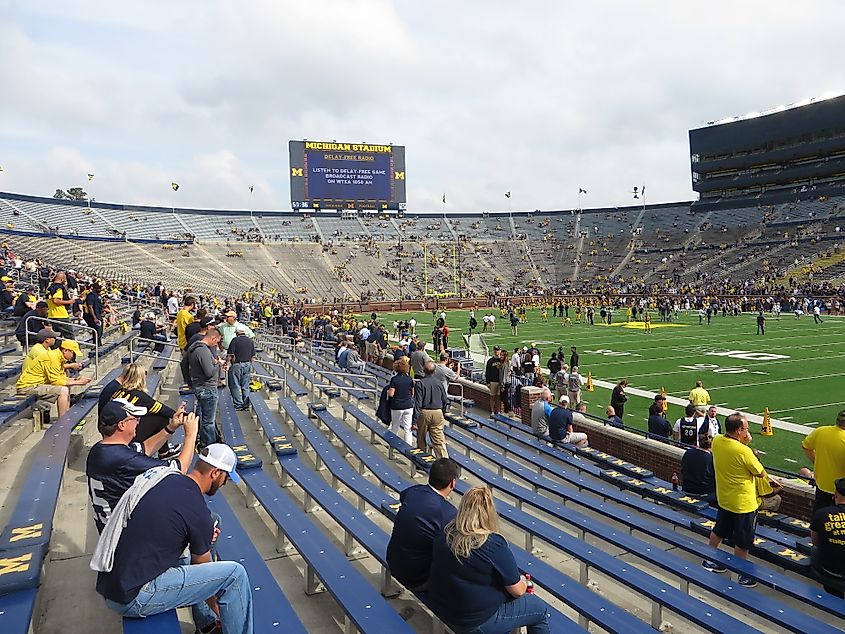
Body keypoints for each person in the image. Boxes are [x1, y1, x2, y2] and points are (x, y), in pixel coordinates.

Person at [92, 444, 253, 634]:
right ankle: (219, 625)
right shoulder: (197, 510)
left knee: (211, 522)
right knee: (235, 575)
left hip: (114, 582)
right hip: (134, 597)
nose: (224, 483)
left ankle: (205, 624)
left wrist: (203, 536)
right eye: (225, 477)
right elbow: (202, 568)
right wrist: (221, 611)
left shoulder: (168, 479)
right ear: (215, 473)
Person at [427, 486, 551, 634]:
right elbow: (517, 591)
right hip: (474, 621)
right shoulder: (493, 544)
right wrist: (524, 582)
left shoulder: (445, 532)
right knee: (539, 609)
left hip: (445, 607)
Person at [87, 398, 198, 533]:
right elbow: (178, 469)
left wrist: (171, 427)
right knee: (197, 521)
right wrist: (191, 435)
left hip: (111, 529)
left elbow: (145, 448)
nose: (138, 423)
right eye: (134, 419)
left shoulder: (100, 449)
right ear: (122, 425)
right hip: (123, 537)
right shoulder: (122, 459)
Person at [702, 413, 767, 587]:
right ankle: (742, 574)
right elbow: (760, 472)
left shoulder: (716, 441)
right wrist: (746, 445)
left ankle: (709, 560)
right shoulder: (744, 450)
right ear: (739, 430)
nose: (748, 431)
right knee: (743, 540)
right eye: (746, 428)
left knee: (719, 531)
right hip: (743, 503)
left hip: (724, 498)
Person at [385, 458, 459, 591]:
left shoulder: (413, 491)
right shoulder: (448, 513)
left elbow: (404, 495)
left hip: (393, 560)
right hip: (417, 577)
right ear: (452, 483)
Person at [99, 363, 185, 459]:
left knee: (150, 416)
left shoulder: (119, 390)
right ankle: (163, 453)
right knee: (161, 418)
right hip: (120, 434)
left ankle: (164, 450)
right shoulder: (138, 395)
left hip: (108, 431)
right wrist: (184, 416)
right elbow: (162, 409)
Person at [16, 329, 91, 416]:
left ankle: (67, 414)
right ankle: (63, 422)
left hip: (37, 384)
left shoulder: (58, 356)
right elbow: (55, 380)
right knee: (63, 390)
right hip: (28, 387)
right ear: (65, 350)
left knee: (66, 386)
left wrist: (75, 380)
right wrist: (78, 382)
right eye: (73, 353)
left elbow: (60, 377)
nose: (73, 356)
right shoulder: (52, 357)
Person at [188, 326, 225, 449]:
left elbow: (184, 364)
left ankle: (210, 441)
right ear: (213, 338)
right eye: (217, 341)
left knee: (204, 416)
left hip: (199, 386)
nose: (216, 344)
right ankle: (209, 446)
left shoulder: (194, 348)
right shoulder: (203, 350)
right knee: (208, 421)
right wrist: (218, 364)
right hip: (207, 388)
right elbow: (209, 373)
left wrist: (190, 383)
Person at [801, 410, 845, 511]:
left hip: (822, 487)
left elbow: (806, 446)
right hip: (841, 492)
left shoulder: (821, 431)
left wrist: (815, 461)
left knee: (820, 518)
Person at [810, 477, 845, 598]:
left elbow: (815, 542)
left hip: (826, 568)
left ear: (836, 494)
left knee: (814, 550)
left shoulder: (821, 513)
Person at [415, 360, 450, 458]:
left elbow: (418, 402)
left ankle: (420, 460)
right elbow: (444, 399)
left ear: (423, 370)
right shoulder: (439, 383)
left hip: (424, 412)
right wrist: (442, 412)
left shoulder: (420, 383)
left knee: (421, 439)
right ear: (434, 371)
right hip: (438, 412)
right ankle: (444, 461)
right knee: (439, 440)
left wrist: (414, 419)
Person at [388, 356, 415, 445]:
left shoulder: (394, 379)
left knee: (395, 427)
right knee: (408, 429)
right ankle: (409, 446)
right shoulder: (409, 379)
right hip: (408, 405)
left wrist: (388, 392)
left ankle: (392, 446)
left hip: (397, 406)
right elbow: (412, 393)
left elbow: (391, 394)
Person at [227, 326, 255, 411]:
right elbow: (253, 355)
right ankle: (246, 404)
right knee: (245, 386)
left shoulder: (235, 340)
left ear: (237, 333)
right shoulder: (250, 341)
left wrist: (226, 363)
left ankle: (238, 405)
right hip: (247, 364)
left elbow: (231, 355)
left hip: (237, 364)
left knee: (235, 385)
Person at [681, 435, 715, 500]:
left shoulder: (688, 452)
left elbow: (682, 469)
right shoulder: (711, 459)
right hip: (703, 494)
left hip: (686, 489)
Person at [46, 271, 76, 340]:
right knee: (70, 336)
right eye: (65, 280)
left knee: (57, 337)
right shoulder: (59, 287)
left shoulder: (49, 287)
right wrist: (70, 301)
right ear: (62, 279)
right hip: (61, 315)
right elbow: (56, 300)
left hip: (52, 315)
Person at [485, 347, 503, 416]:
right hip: (493, 381)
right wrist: (488, 382)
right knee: (492, 397)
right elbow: (487, 372)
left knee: (498, 397)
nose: (497, 352)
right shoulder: (490, 361)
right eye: (495, 350)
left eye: (498, 350)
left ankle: (498, 411)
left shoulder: (502, 360)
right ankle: (492, 411)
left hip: (500, 381)